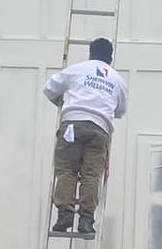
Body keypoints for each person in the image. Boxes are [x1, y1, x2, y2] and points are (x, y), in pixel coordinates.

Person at [42, 37, 128, 236]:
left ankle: (65, 214)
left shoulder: (77, 69)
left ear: (90, 53)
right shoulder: (117, 79)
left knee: (66, 170)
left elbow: (49, 89)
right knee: (91, 175)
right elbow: (121, 111)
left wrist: (62, 104)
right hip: (99, 130)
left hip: (72, 125)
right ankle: (86, 220)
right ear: (110, 57)